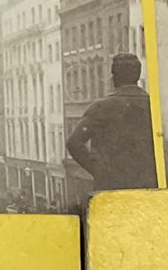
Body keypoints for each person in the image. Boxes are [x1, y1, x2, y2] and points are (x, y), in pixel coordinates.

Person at [66, 53, 159, 193]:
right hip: (149, 188)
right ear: (138, 76)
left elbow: (74, 142)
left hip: (111, 189)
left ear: (114, 77)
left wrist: (100, 172)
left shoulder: (102, 107)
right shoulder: (155, 105)